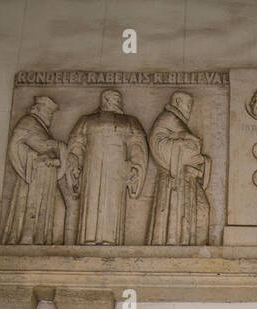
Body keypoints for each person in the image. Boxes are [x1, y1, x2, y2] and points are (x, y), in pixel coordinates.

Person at [63, 89, 148, 245]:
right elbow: (76, 145)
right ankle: (87, 239)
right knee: (92, 199)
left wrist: (136, 168)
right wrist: (75, 165)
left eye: (117, 98)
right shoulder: (86, 120)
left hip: (117, 168)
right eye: (110, 98)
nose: (114, 101)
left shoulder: (130, 121)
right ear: (104, 100)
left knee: (113, 203)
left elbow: (138, 146)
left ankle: (111, 240)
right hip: (92, 167)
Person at [0, 96, 67, 244]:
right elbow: (15, 145)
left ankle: (42, 238)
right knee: (33, 205)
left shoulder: (41, 126)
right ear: (38, 109)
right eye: (48, 111)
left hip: (48, 173)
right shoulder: (28, 121)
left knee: (50, 207)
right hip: (35, 173)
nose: (50, 115)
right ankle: (28, 238)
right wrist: (34, 159)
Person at [146, 91, 210, 245]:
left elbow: (192, 146)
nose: (190, 108)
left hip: (187, 178)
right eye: (188, 104)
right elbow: (157, 145)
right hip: (174, 179)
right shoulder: (168, 118)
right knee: (187, 211)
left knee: (202, 210)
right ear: (178, 101)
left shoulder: (176, 121)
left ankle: (195, 247)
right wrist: (185, 145)